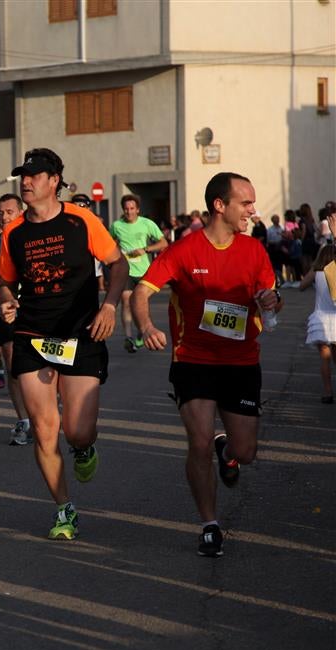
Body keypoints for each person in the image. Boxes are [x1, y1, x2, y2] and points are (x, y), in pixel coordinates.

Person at [131, 172, 280, 557]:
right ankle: (209, 524)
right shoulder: (184, 251)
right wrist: (146, 325)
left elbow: (269, 294)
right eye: (245, 203)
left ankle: (228, 450)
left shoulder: (254, 250)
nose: (252, 210)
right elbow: (143, 291)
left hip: (242, 361)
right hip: (193, 359)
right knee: (197, 441)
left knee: (246, 452)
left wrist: (270, 301)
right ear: (220, 205)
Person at [0, 148, 126, 541]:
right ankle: (63, 509)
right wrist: (7, 299)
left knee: (77, 430)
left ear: (55, 180)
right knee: (44, 428)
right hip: (32, 335)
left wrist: (108, 305)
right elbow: (5, 279)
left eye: (35, 175)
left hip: (81, 333)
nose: (27, 182)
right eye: (23, 175)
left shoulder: (81, 220)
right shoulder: (13, 231)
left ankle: (84, 448)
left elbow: (118, 264)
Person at [0, 193, 32, 446]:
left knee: (37, 366)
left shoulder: (32, 235)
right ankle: (25, 421)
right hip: (6, 310)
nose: (5, 216)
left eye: (10, 212)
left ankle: (44, 410)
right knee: (12, 365)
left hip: (36, 310)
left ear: (21, 211)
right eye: (1, 212)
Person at [108, 194, 169, 352]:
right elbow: (108, 244)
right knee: (126, 300)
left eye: (132, 208)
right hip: (125, 270)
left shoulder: (147, 224)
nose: (129, 212)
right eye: (126, 209)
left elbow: (163, 243)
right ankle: (128, 337)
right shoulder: (116, 225)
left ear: (138, 209)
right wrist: (115, 257)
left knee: (141, 303)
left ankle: (142, 331)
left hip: (144, 270)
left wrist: (145, 249)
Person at [299, 244, 336, 403]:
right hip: (335, 318)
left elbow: (301, 287)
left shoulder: (317, 272)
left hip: (320, 320)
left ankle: (328, 393)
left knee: (325, 359)